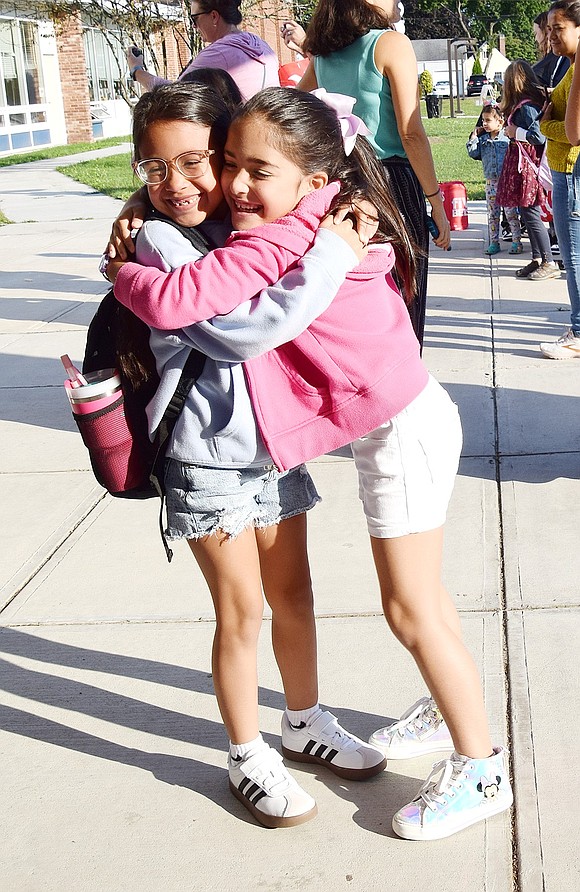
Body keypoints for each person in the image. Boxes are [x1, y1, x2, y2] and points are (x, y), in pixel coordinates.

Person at [110, 86, 513, 842]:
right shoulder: (262, 219)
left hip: (393, 435)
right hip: (252, 452)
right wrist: (136, 232)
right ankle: (275, 742)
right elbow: (216, 299)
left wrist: (128, 275)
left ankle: (481, 764)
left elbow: (249, 323)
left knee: (408, 609)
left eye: (218, 162)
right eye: (223, 164)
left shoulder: (298, 228)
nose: (219, 184)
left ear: (310, 175)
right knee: (340, 604)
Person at [102, 81, 387, 830]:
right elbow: (238, 331)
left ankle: (304, 719)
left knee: (295, 596)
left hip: (271, 445)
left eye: (199, 162)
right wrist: (331, 251)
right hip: (204, 458)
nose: (180, 184)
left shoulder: (244, 214)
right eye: (154, 170)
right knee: (243, 612)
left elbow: (306, 171)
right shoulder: (158, 241)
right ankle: (246, 751)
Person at [288, 0, 451, 351]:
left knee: (360, 297)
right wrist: (435, 201)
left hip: (345, 183)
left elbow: (294, 104)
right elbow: (410, 132)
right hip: (392, 184)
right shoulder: (390, 43)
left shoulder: (324, 54)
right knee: (405, 293)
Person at [127, 0, 279, 100]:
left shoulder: (219, 52)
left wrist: (137, 70)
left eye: (195, 19)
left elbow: (171, 93)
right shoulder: (260, 45)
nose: (194, 26)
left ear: (214, 16)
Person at [539, 0, 580, 358]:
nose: (551, 35)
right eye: (549, 28)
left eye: (559, 28)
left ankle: (579, 332)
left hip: (571, 170)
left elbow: (575, 131)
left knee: (574, 255)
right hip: (565, 169)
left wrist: (544, 124)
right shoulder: (568, 67)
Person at [497, 59, 560, 280]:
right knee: (526, 211)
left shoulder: (526, 107)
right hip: (522, 167)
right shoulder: (525, 105)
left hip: (528, 169)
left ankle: (549, 261)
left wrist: (515, 132)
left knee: (531, 212)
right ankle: (537, 258)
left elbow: (538, 136)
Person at [466, 102, 523, 256]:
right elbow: (474, 154)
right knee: (493, 214)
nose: (484, 124)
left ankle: (517, 241)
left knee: (511, 213)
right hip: (491, 182)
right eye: (483, 120)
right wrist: (473, 138)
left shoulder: (507, 138)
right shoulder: (483, 139)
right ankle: (494, 242)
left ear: (500, 121)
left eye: (488, 120)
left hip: (507, 182)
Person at [533, 10, 571, 89]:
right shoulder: (558, 59)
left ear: (545, 32)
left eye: (536, 33)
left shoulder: (563, 59)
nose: (536, 39)